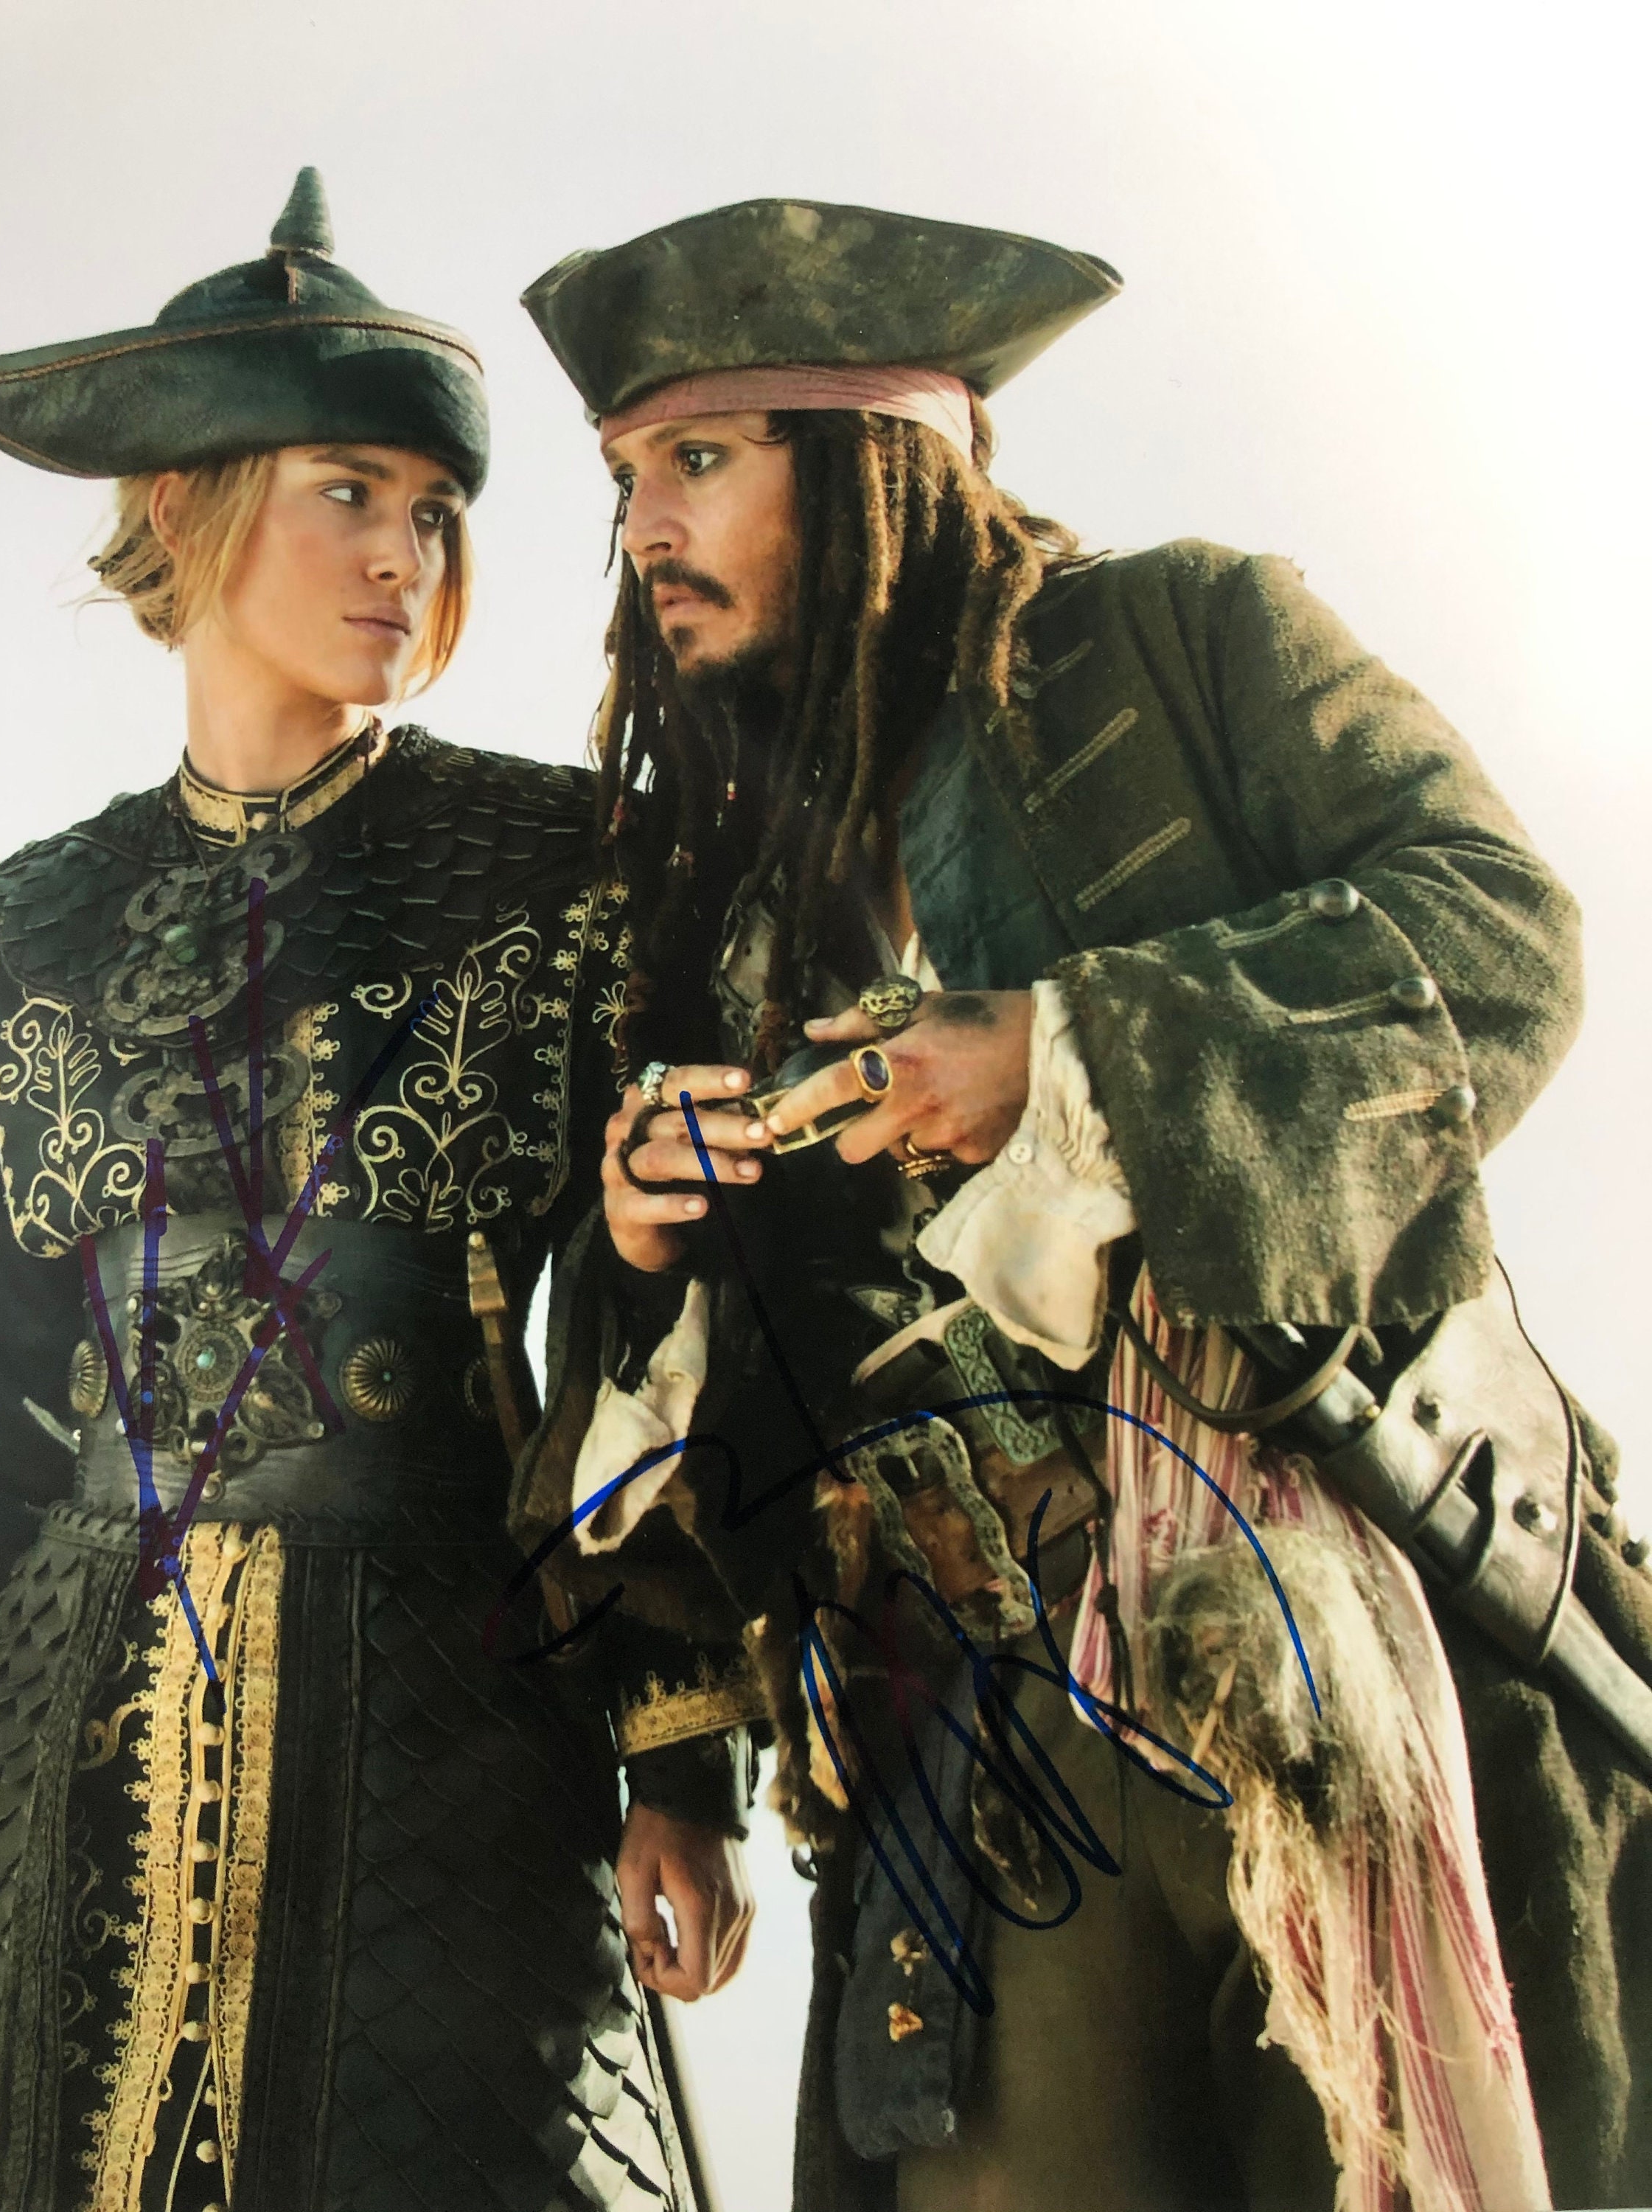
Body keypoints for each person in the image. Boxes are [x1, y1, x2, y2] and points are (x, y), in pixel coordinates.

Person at [515, 198, 1652, 2211]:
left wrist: (1068, 1050)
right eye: (624, 480)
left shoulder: (1190, 638)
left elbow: (1501, 935)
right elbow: (657, 1422)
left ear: (876, 460)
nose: (645, 530)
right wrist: (646, 1245)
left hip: (1333, 1631)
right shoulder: (703, 893)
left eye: (699, 458)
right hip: (966, 1742)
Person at [0, 173, 757, 2212]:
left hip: (445, 1700)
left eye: (434, 512)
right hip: (64, 1712)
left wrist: (679, 1753)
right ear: (183, 505)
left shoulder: (569, 864)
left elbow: (651, 1320)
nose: (404, 556)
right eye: (349, 494)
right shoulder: (29, 919)